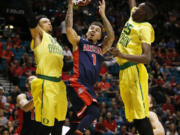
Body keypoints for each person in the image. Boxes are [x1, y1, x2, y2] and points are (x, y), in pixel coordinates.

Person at [65, 0, 115, 134]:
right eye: (91, 28)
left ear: (100, 36)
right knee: (94, 111)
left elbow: (111, 37)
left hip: (87, 86)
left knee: (76, 122)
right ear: (87, 32)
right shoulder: (79, 42)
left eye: (97, 30)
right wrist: (70, 5)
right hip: (77, 83)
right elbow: (69, 29)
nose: (93, 30)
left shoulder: (101, 48)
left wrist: (103, 15)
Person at [20, 0, 68, 134]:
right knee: (46, 126)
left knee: (59, 123)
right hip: (46, 83)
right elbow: (30, 18)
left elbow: (62, 66)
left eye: (49, 21)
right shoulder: (39, 36)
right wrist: (26, 5)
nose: (49, 22)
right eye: (45, 21)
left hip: (59, 84)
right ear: (38, 26)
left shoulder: (56, 43)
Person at [110, 0, 157, 135]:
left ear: (145, 15)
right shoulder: (133, 15)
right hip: (124, 71)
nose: (136, 9)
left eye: (140, 9)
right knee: (134, 116)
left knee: (141, 116)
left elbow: (147, 58)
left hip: (135, 70)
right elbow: (132, 3)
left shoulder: (145, 27)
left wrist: (121, 54)